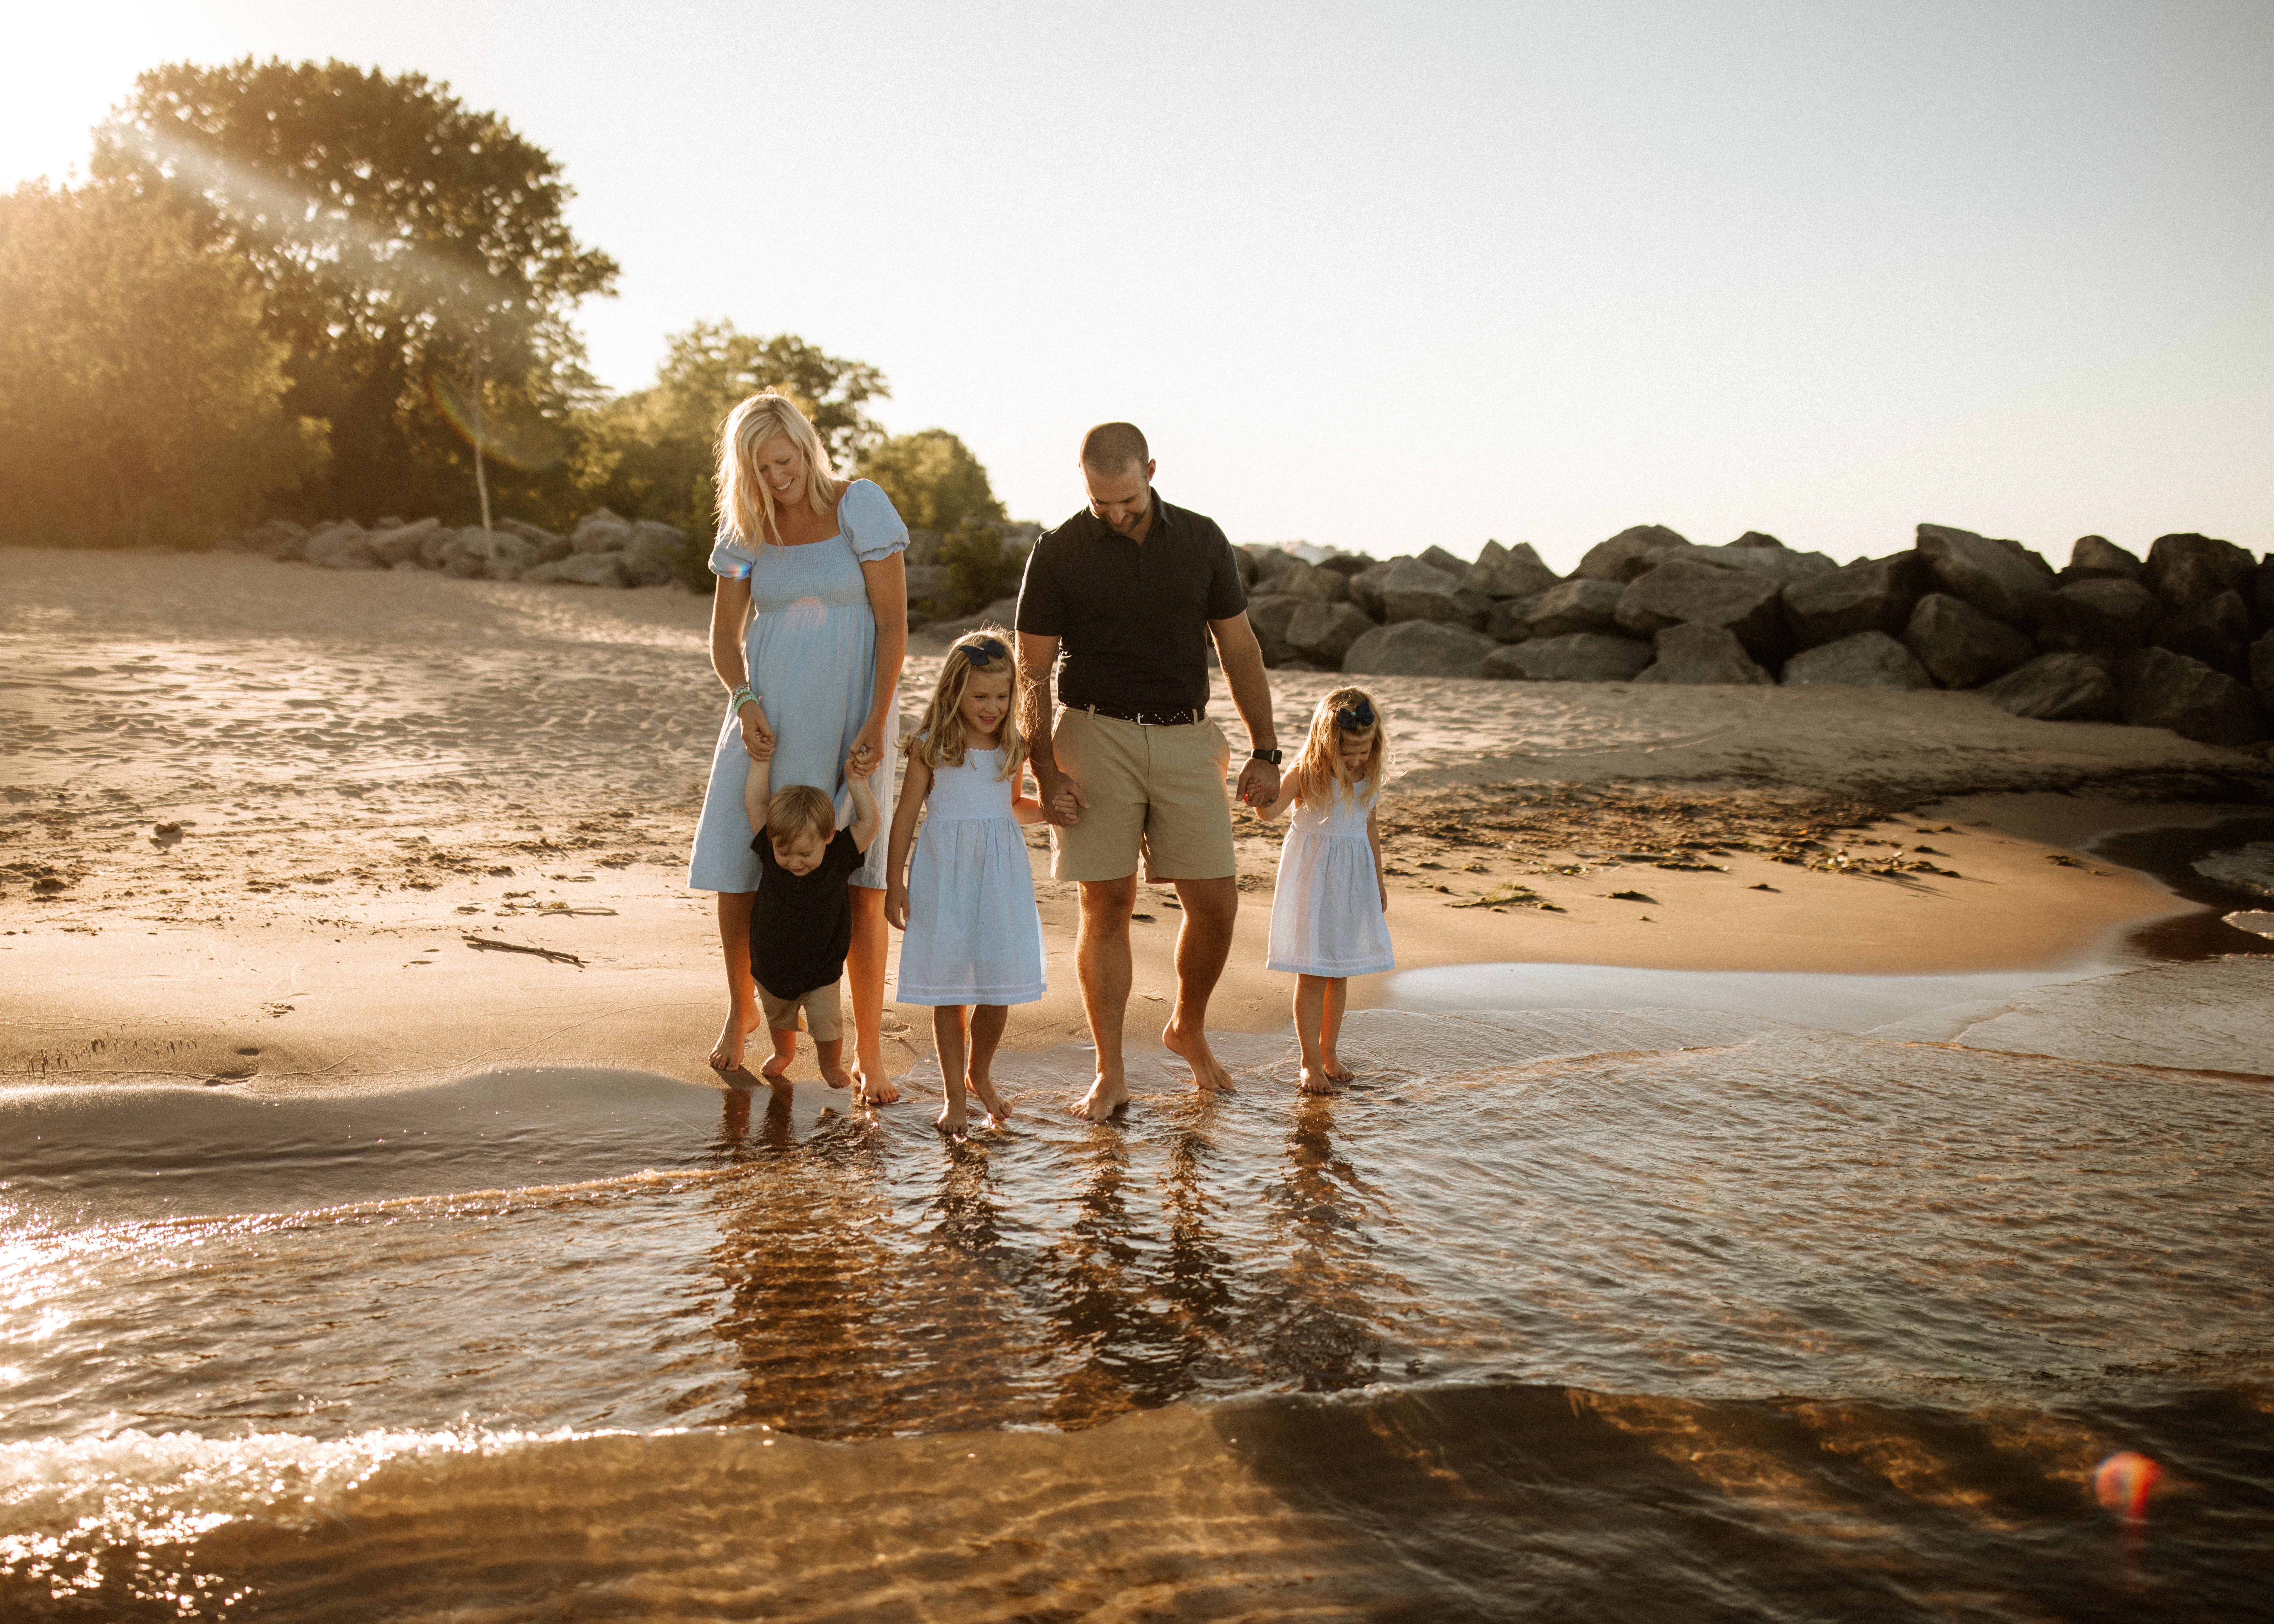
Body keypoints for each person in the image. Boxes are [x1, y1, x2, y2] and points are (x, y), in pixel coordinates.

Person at [1015, 421, 1283, 1122]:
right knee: (1104, 904)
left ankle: (1185, 1024)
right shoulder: (1059, 551)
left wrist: (1266, 748)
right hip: (1093, 733)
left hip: (1185, 737)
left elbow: (1239, 647)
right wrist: (1044, 769)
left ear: (1152, 472)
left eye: (1126, 499)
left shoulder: (1200, 541)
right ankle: (1110, 1072)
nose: (1113, 513)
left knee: (1217, 905)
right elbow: (1031, 676)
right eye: (1100, 502)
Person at [687, 392, 908, 1104]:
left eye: (783, 461)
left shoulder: (860, 506)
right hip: (769, 717)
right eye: (759, 466)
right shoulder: (747, 525)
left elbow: (894, 626)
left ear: (806, 448)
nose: (776, 477)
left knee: (860, 883)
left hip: (852, 715)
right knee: (736, 864)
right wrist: (744, 699)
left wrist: (875, 723)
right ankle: (741, 1005)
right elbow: (724, 639)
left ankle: (869, 1053)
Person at [882, 628, 1048, 1137]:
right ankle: (955, 1096)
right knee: (948, 990)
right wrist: (894, 883)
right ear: (954, 691)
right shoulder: (930, 747)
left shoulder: (1010, 746)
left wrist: (1052, 812)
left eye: (1001, 696)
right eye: (980, 696)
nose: (992, 707)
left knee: (997, 988)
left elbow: (1013, 806)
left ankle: (981, 1071)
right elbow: (906, 816)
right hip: (942, 878)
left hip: (999, 877)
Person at [1255, 689, 1394, 1093]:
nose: (1354, 762)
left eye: (1363, 753)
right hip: (1312, 882)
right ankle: (1309, 1063)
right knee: (1313, 973)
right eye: (1346, 754)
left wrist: (1378, 881)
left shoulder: (1367, 777)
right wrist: (1258, 794)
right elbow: (1269, 812)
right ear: (1325, 744)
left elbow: (1370, 827)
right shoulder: (1307, 772)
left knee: (1340, 971)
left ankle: (1330, 1053)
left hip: (1351, 882)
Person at [740, 739, 882, 1088]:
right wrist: (760, 763)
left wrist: (857, 783)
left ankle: (831, 1063)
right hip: (771, 963)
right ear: (773, 840)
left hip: (822, 968)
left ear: (828, 836)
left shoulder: (838, 856)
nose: (794, 861)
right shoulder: (771, 851)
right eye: (784, 851)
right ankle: (783, 1052)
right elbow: (756, 803)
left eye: (805, 853)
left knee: (827, 1023)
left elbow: (870, 821)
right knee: (779, 1016)